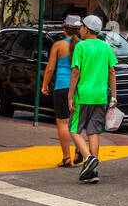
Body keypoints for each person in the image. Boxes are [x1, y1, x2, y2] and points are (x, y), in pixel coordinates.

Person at [68, 15, 117, 184]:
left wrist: (70, 95)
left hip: (83, 95)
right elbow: (112, 72)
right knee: (93, 131)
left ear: (86, 29)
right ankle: (93, 170)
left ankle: (88, 159)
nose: (80, 29)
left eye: (81, 26)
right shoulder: (106, 47)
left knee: (74, 130)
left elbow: (75, 72)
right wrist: (114, 96)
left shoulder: (80, 47)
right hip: (100, 96)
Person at [42, 15, 84, 166]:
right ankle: (80, 150)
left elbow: (50, 68)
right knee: (77, 122)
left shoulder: (58, 45)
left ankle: (66, 157)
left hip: (62, 87)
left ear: (64, 28)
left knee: (63, 122)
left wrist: (44, 85)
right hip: (79, 88)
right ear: (79, 29)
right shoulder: (83, 45)